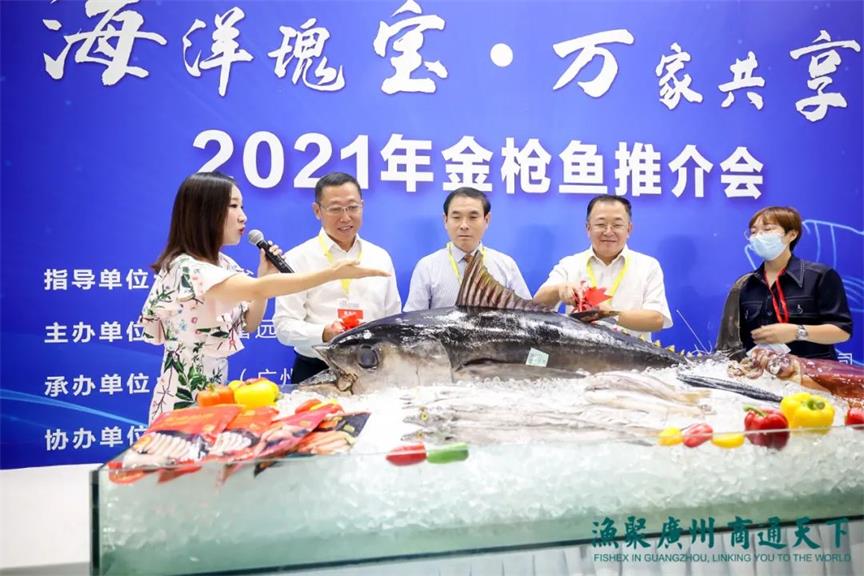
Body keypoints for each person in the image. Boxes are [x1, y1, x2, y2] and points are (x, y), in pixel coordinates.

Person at [140, 172, 388, 422]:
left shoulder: (224, 264)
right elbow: (256, 289)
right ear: (205, 211)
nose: (243, 216)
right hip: (182, 394)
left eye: (242, 206)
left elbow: (250, 323)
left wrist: (263, 277)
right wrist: (333, 273)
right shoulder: (186, 268)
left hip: (216, 391)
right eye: (233, 206)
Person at [273, 172, 401, 383]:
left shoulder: (380, 257)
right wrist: (324, 333)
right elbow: (284, 327)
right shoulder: (297, 258)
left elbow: (393, 319)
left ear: (362, 206)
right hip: (315, 369)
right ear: (317, 211)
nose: (345, 217)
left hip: (372, 371)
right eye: (335, 209)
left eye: (352, 207)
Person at [534, 196, 672, 339]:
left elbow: (656, 319)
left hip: (633, 352)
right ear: (588, 228)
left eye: (617, 225)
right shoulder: (570, 264)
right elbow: (536, 307)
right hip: (580, 351)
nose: (608, 232)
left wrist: (610, 313)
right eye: (601, 224)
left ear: (629, 229)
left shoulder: (648, 266)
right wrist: (558, 290)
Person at [734, 206, 852, 359]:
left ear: (791, 234)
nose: (758, 236)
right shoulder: (746, 284)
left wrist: (797, 332)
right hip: (762, 372)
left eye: (767, 229)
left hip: (811, 371)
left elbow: (842, 332)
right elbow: (739, 339)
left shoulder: (820, 276)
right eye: (754, 232)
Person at [403, 187, 531, 311]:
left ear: (486, 220)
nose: (464, 225)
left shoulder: (506, 265)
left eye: (473, 217)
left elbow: (527, 315)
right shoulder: (427, 267)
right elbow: (412, 320)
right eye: (456, 217)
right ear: (445, 220)